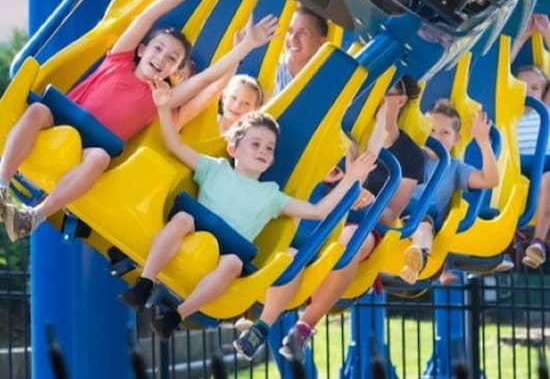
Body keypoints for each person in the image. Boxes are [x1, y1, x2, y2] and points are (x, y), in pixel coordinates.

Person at [0, 0, 278, 242]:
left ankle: (34, 215)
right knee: (37, 110)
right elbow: (147, 16)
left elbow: (206, 79)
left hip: (95, 144)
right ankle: (1, 182)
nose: (161, 58)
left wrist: (245, 47)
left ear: (176, 72)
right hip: (65, 117)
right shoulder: (119, 59)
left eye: (172, 59)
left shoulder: (162, 97)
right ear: (143, 49)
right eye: (158, 49)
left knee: (99, 159)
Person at [119, 83, 377, 341]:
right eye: (256, 144)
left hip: (226, 254)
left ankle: (177, 315)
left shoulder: (271, 194)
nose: (263, 152)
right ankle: (145, 282)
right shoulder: (215, 168)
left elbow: (318, 211)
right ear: (233, 149)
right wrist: (164, 108)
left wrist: (351, 178)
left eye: (269, 149)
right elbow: (174, 144)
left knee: (233, 263)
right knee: (183, 218)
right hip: (193, 235)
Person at [234, 76, 425, 362]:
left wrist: (369, 198)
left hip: (360, 221)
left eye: (389, 91)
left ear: (401, 99)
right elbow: (319, 173)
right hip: (324, 211)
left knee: (345, 243)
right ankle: (262, 325)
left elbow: (388, 208)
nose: (381, 96)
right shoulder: (346, 138)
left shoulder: (405, 154)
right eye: (377, 90)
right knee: (292, 253)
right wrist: (335, 178)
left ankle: (303, 327)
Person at [398, 100, 499, 284]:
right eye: (431, 131)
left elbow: (490, 180)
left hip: (422, 215)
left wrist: (483, 141)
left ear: (456, 138)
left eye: (445, 132)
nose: (436, 137)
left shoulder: (455, 168)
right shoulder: (412, 154)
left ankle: (417, 257)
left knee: (423, 226)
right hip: (395, 208)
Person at [515, 65, 550, 268]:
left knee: (547, 182)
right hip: (516, 163)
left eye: (535, 88)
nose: (528, 91)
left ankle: (538, 241)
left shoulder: (544, 110)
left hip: (544, 162)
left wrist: (546, 35)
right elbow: (496, 75)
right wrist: (519, 40)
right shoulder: (508, 111)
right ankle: (509, 240)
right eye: (522, 86)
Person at [274, 6, 328, 94]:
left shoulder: (328, 83)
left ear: (321, 41)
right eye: (290, 31)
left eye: (303, 33)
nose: (293, 38)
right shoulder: (271, 67)